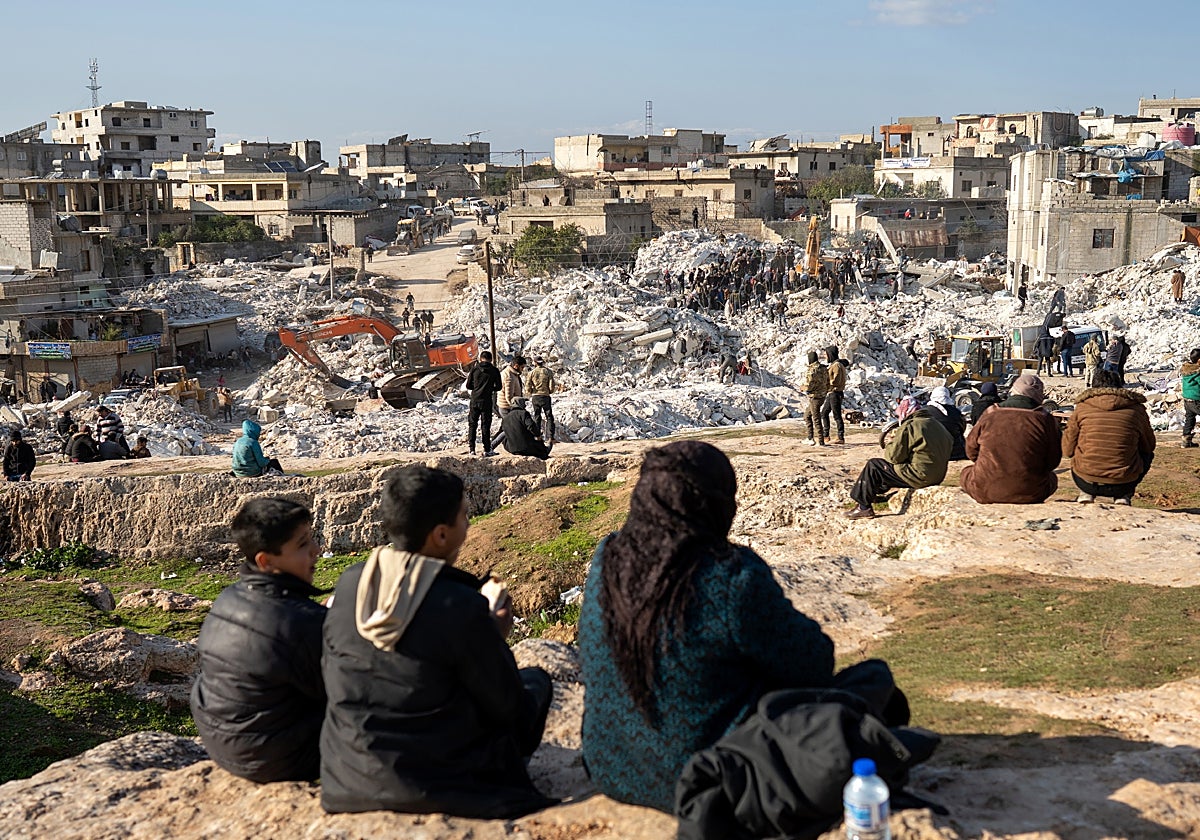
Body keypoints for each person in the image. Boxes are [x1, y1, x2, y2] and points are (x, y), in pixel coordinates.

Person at [579, 441, 910, 813]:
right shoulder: (730, 576)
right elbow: (814, 663)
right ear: (716, 505)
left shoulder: (606, 557)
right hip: (708, 778)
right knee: (872, 679)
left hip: (611, 770)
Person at [320, 465, 553, 818]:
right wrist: (493, 637)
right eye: (464, 516)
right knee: (536, 683)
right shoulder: (457, 604)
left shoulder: (352, 582)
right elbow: (510, 709)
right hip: (440, 783)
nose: (468, 524)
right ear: (441, 535)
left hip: (348, 776)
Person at [190, 498, 327, 783]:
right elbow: (342, 692)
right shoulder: (301, 621)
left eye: (312, 539)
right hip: (275, 759)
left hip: (222, 744)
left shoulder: (229, 597)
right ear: (266, 561)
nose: (317, 550)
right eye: (303, 545)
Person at [960, 374, 1061, 504]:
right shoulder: (1046, 419)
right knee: (1051, 478)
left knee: (966, 473)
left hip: (985, 490)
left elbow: (971, 450)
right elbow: (1053, 461)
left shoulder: (991, 412)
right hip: (1031, 493)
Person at [1063, 369, 1155, 505]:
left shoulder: (1082, 408)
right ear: (1119, 385)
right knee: (1147, 455)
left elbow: (1067, 450)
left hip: (1085, 480)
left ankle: (1086, 494)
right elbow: (1149, 446)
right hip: (1124, 481)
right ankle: (1124, 496)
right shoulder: (1136, 409)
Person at [845, 402, 953, 520]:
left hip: (920, 476)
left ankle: (863, 507)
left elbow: (893, 457)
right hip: (938, 475)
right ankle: (873, 495)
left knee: (874, 466)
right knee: (891, 470)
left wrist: (892, 441)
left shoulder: (911, 426)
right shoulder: (937, 424)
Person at [465, 350, 502, 456]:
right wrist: (490, 388)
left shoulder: (475, 369)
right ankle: (487, 449)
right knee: (485, 425)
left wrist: (476, 387)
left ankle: (472, 449)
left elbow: (468, 386)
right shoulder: (494, 370)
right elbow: (499, 387)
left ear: (481, 358)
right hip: (486, 401)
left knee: (472, 424)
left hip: (475, 400)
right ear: (491, 359)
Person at [926, 386, 967, 460]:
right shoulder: (955, 412)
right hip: (955, 452)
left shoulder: (925, 412)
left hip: (931, 452)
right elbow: (962, 427)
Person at [525, 356, 556, 443]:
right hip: (545, 396)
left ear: (535, 362)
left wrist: (531, 391)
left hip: (535, 396)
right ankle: (551, 437)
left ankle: (537, 436)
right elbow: (551, 385)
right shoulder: (548, 371)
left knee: (537, 416)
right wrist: (549, 391)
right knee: (549, 416)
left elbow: (527, 385)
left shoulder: (532, 372)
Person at [820, 345, 847, 445]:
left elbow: (836, 380)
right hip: (832, 393)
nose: (826, 357)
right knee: (824, 413)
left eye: (826, 355)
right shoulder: (836, 365)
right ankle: (826, 435)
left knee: (837, 416)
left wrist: (826, 382)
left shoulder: (836, 366)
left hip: (835, 393)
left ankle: (840, 436)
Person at [802, 351, 829, 446]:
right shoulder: (823, 368)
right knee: (807, 415)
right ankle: (810, 438)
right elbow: (828, 382)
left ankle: (820, 441)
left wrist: (803, 388)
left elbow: (809, 384)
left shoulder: (812, 369)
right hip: (822, 396)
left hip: (815, 397)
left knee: (816, 418)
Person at [1180, 348, 1200, 448]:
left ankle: (1186, 441)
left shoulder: (1186, 370)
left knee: (1190, 419)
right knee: (1190, 419)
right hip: (1197, 400)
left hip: (1187, 400)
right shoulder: (1198, 372)